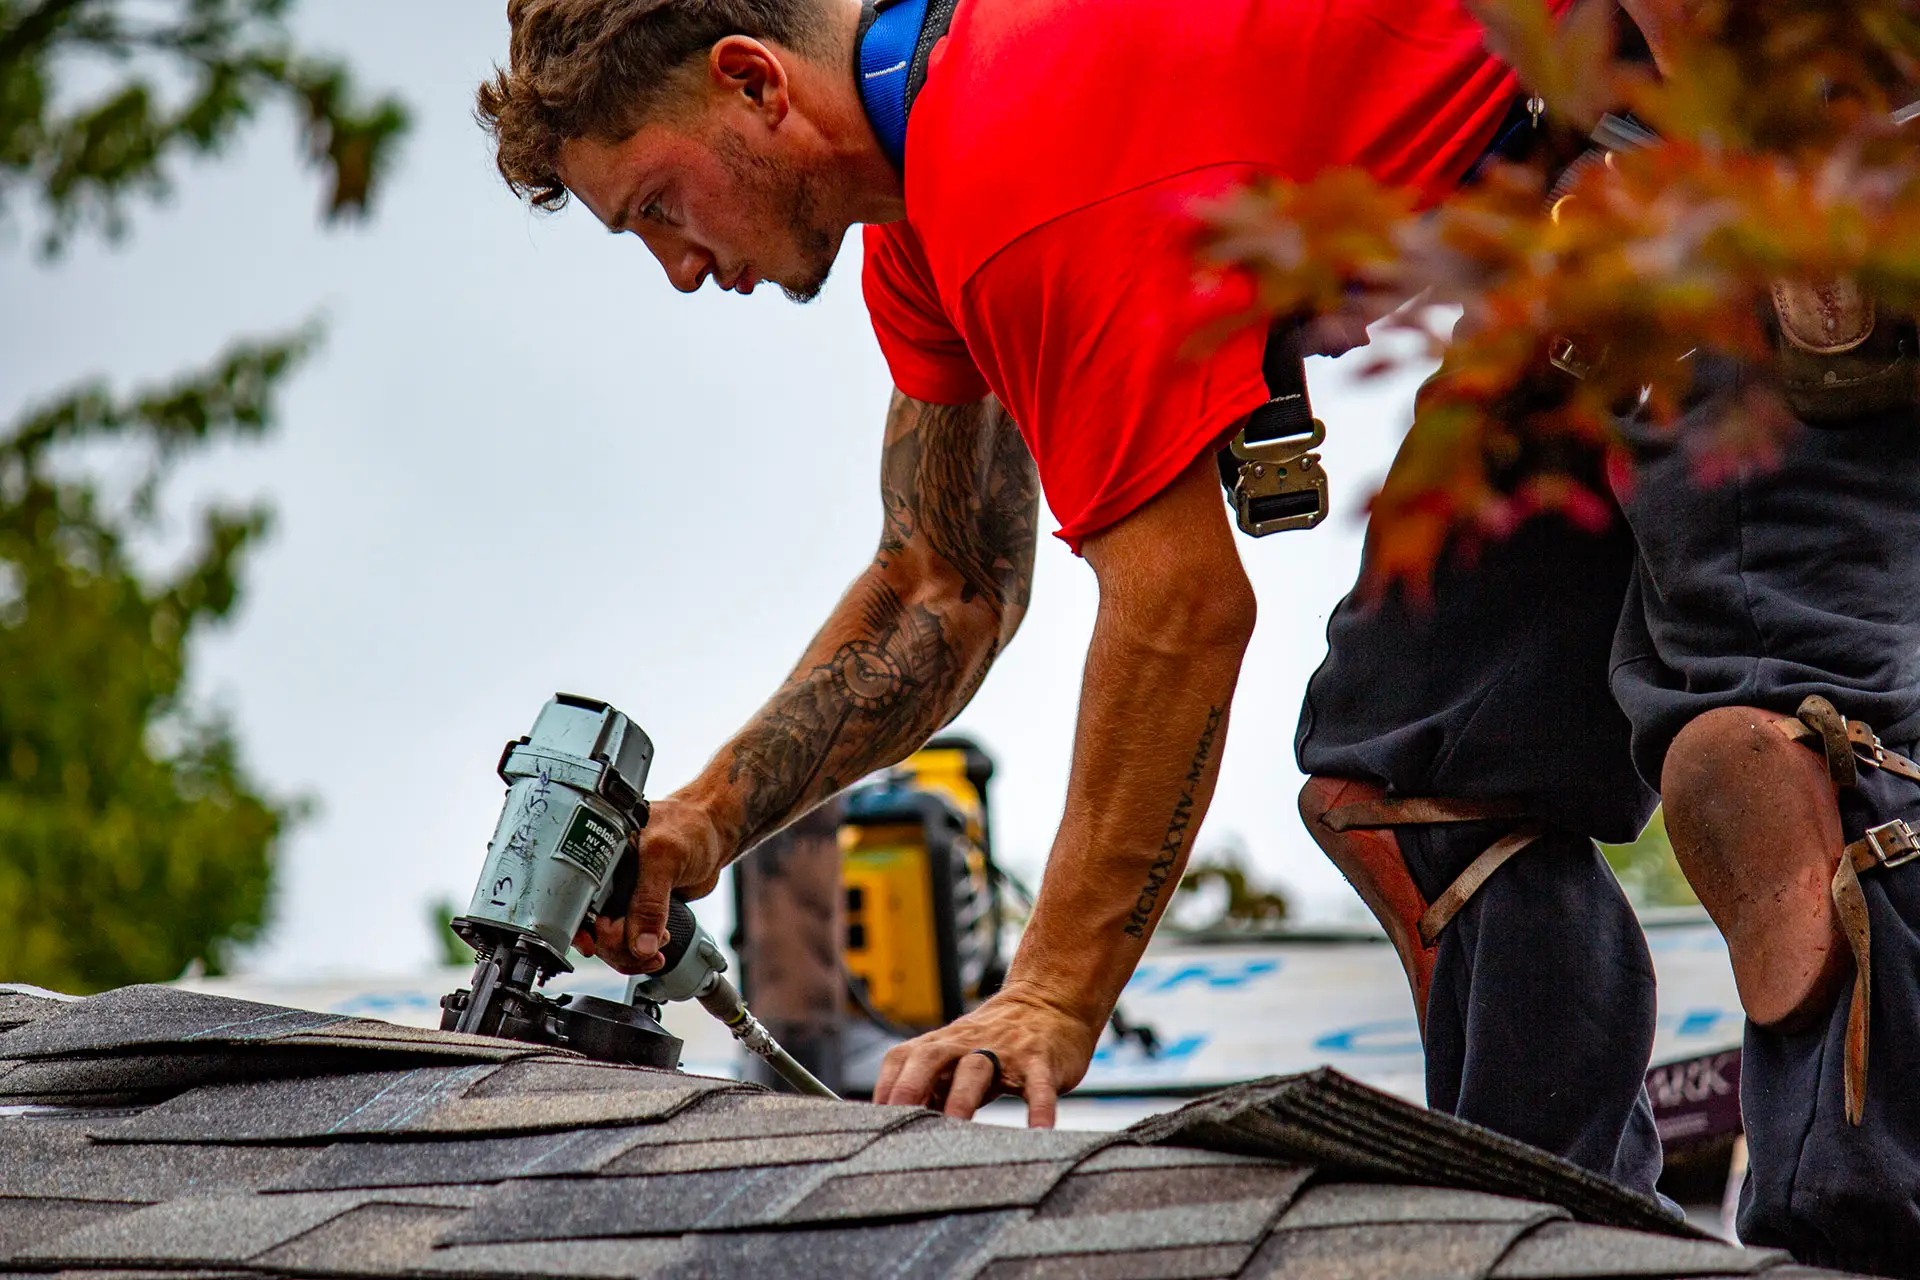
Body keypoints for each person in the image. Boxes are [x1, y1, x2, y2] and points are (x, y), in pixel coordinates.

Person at [475, 0, 1673, 1200]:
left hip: (1724, 133)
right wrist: (706, 819)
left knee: (1739, 734)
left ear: (753, 83)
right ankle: (1572, 1219)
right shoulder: (932, 211)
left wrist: (1051, 990)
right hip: (1594, 216)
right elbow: (943, 585)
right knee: (1420, 770)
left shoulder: (1012, 163)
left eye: (658, 207)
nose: (678, 268)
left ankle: (1728, 1219)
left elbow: (1181, 608)